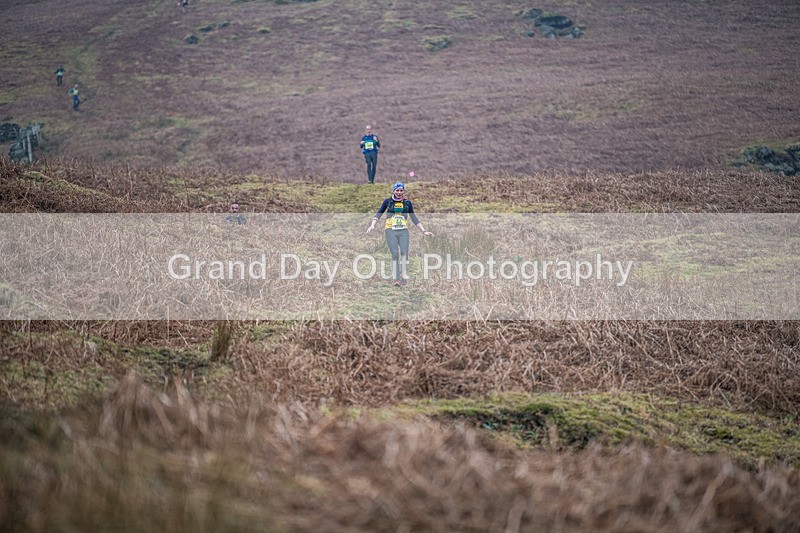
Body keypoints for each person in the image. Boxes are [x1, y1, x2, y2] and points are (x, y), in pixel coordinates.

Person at [366, 181, 433, 286]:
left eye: (401, 190)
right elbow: (378, 213)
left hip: (403, 232)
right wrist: (372, 225)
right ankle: (396, 278)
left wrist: (424, 231)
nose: (399, 192)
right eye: (397, 190)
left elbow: (414, 218)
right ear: (393, 191)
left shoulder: (407, 203)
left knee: (404, 254)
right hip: (390, 230)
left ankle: (403, 276)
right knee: (395, 254)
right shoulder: (387, 202)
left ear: (404, 191)